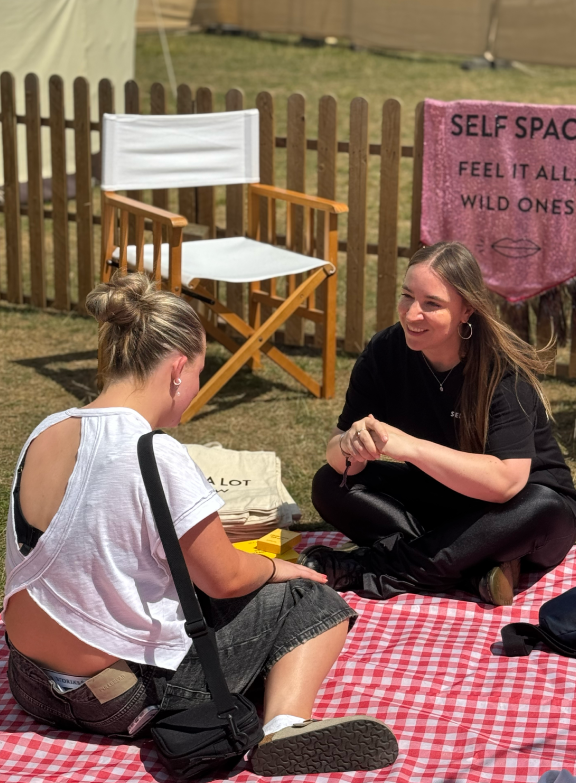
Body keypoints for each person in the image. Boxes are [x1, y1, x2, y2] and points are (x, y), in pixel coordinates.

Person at [3, 272, 397, 777]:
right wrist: (277, 569)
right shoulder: (154, 452)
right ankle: (284, 727)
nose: (195, 390)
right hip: (117, 697)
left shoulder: (47, 430)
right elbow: (225, 578)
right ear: (177, 368)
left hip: (32, 683)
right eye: (199, 375)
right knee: (311, 601)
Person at [301, 242, 576, 604]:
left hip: (517, 513)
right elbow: (337, 448)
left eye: (432, 304)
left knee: (542, 505)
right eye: (407, 296)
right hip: (442, 500)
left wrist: (410, 447)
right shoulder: (386, 351)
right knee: (330, 483)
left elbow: (506, 483)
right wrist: (350, 446)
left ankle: (373, 568)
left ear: (467, 309)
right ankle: (472, 570)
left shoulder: (502, 368)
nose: (411, 314)